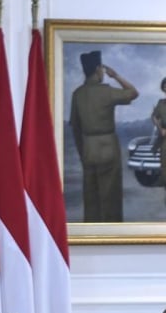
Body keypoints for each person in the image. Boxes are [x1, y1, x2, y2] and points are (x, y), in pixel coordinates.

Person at [70, 50, 139, 222]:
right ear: (98, 69)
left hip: (88, 150)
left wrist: (83, 153)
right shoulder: (106, 91)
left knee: (91, 199)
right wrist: (115, 76)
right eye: (101, 68)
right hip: (108, 148)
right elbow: (133, 92)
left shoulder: (77, 94)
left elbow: (76, 128)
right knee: (111, 199)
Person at [151, 77, 166, 197]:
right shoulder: (161, 103)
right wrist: (161, 129)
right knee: (164, 164)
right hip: (164, 138)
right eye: (165, 87)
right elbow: (154, 117)